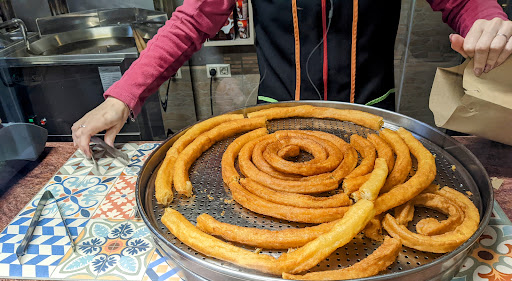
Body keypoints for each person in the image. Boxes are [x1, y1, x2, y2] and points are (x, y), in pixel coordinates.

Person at [72, 0, 511, 157]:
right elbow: (191, 21)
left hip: (373, 117)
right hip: (277, 122)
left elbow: (465, 2)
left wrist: (488, 21)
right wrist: (124, 96)